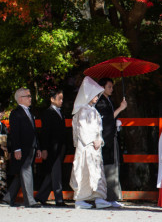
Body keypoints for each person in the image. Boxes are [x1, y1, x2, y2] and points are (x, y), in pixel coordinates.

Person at [69, 76, 110, 209]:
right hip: (87, 146)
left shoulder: (94, 111)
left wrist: (100, 140)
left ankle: (98, 197)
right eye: (94, 95)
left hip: (95, 146)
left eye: (97, 95)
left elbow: (99, 130)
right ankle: (80, 199)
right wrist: (93, 140)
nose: (97, 97)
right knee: (84, 171)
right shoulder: (82, 111)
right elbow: (82, 130)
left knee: (96, 172)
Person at [2, 88, 41, 207]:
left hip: (31, 147)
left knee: (21, 174)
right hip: (22, 148)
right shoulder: (16, 113)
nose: (30, 98)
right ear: (20, 99)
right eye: (27, 96)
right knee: (26, 171)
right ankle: (30, 201)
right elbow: (14, 133)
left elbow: (34, 132)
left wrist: (38, 147)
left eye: (30, 95)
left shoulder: (30, 112)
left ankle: (8, 198)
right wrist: (16, 149)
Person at [96, 78, 127, 208]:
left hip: (111, 136)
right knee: (109, 167)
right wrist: (120, 108)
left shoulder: (108, 101)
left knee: (114, 165)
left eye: (111, 87)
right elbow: (106, 118)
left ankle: (113, 196)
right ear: (102, 88)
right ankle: (109, 196)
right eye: (109, 87)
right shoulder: (100, 101)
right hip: (106, 138)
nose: (111, 89)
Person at [35, 89, 66, 207]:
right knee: (56, 173)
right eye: (59, 98)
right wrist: (44, 149)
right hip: (52, 148)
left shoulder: (60, 113)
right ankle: (59, 199)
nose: (61, 101)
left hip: (60, 147)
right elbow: (45, 132)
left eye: (62, 98)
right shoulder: (47, 113)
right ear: (52, 99)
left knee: (52, 173)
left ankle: (40, 196)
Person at [0, 104, 9, 200]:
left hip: (2, 155)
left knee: (2, 174)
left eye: (2, 112)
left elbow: (8, 138)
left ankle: (2, 195)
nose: (1, 114)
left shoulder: (3, 126)